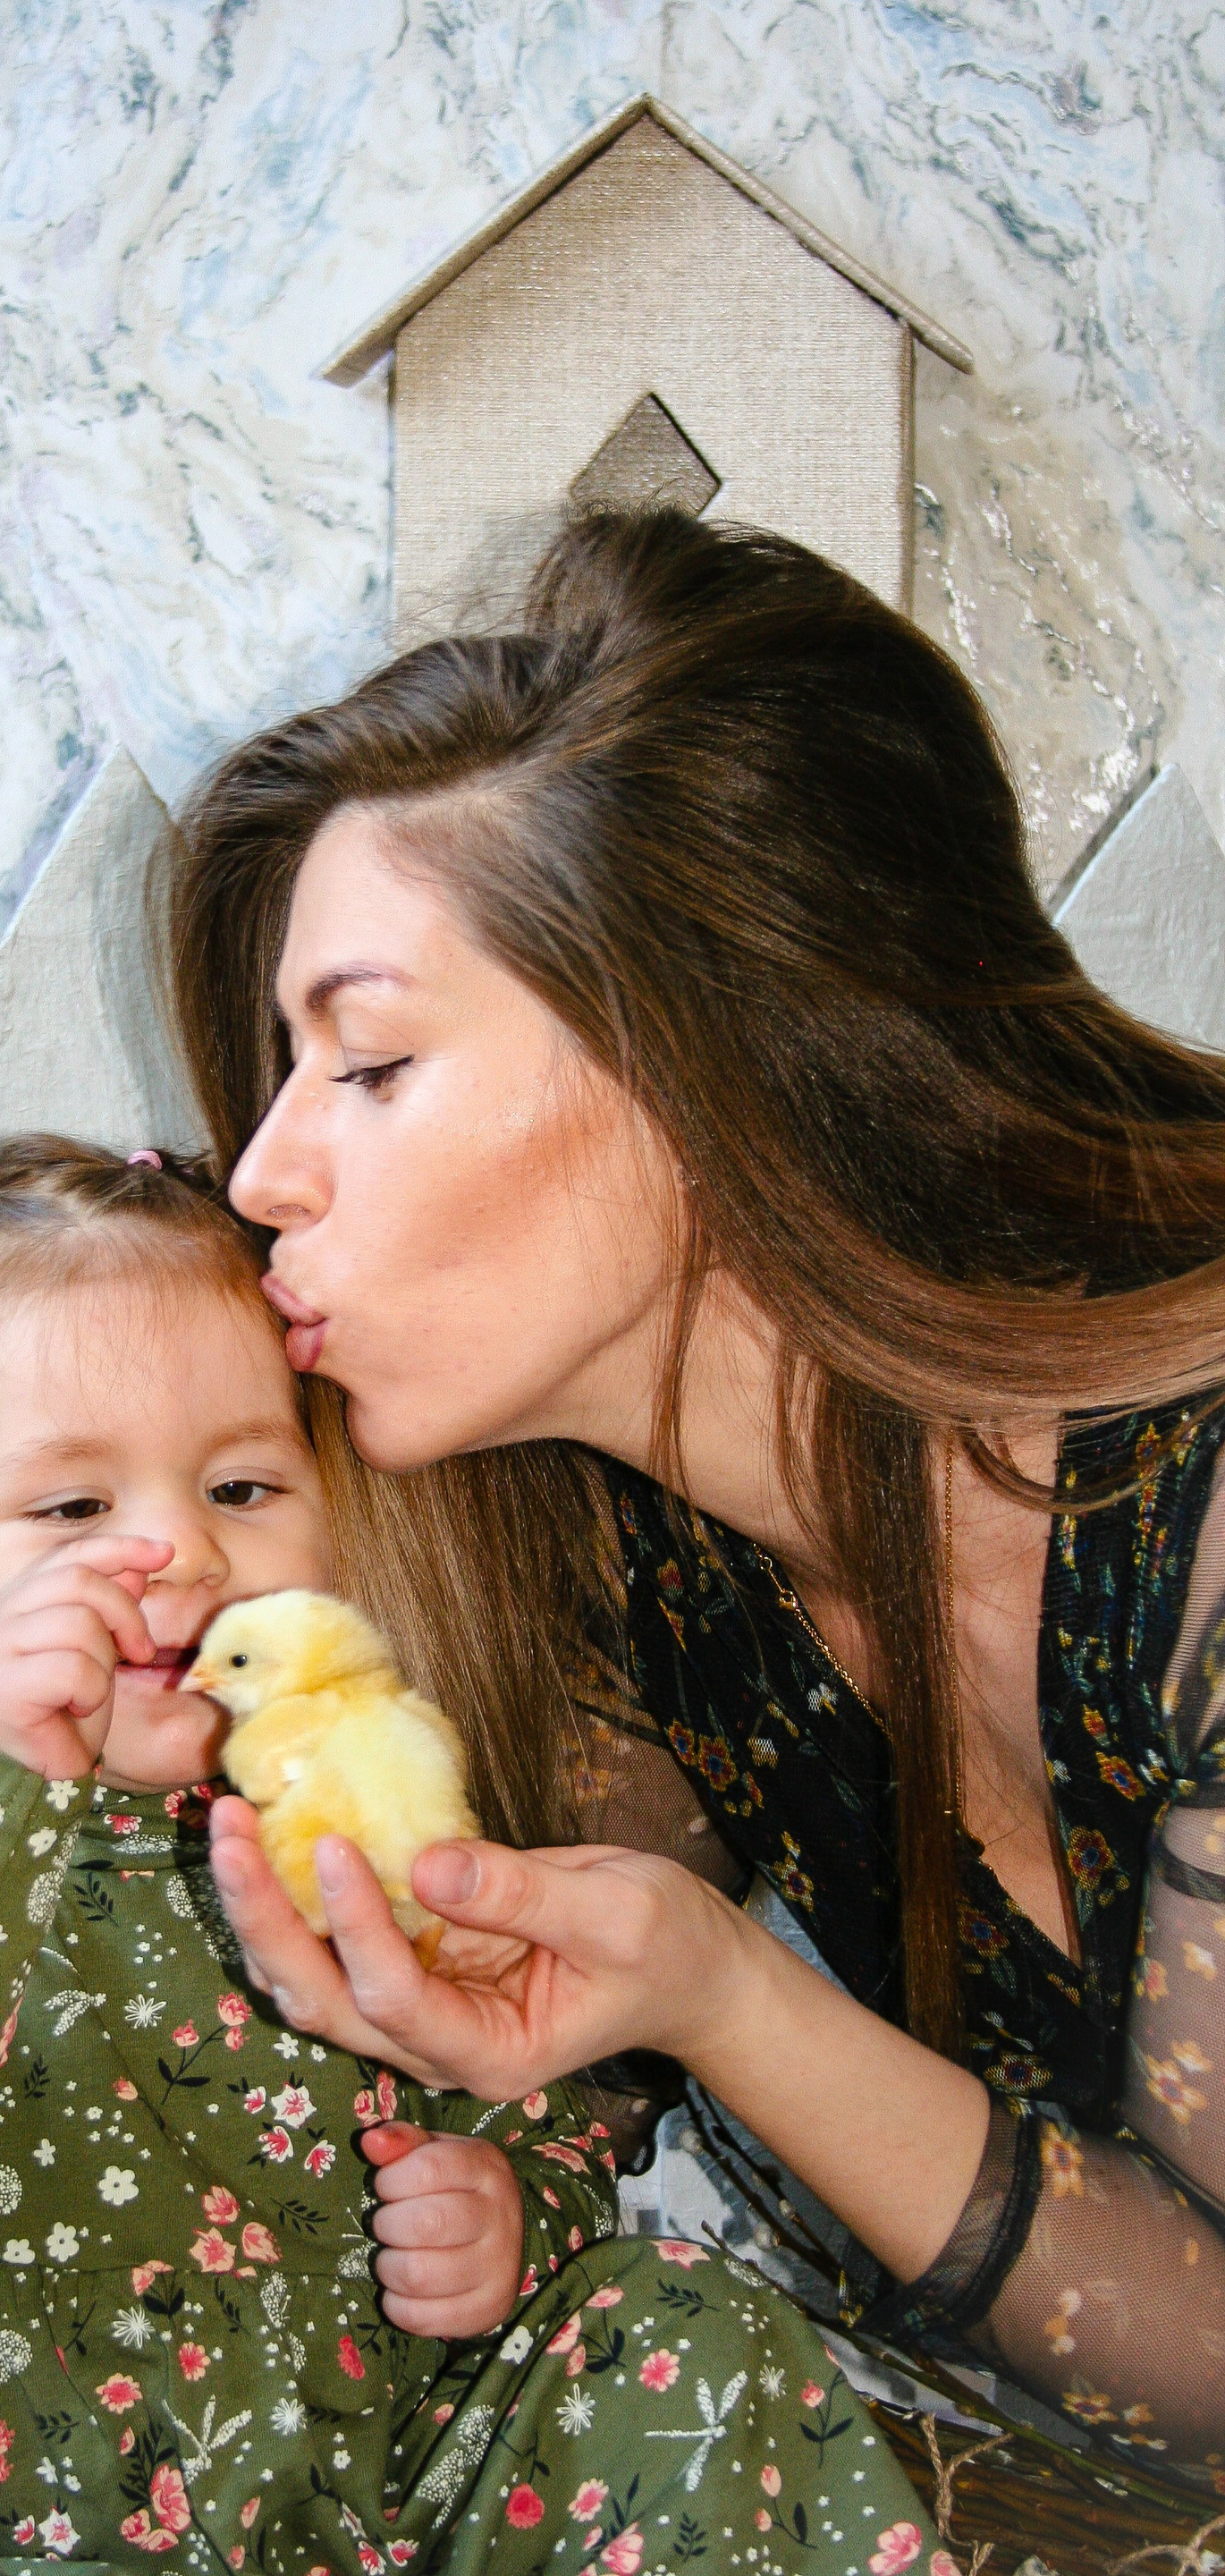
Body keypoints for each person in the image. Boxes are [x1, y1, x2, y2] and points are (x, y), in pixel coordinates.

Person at [165, 508, 1225, 2487]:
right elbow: (515, 2030)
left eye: (367, 1062)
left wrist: (732, 2000)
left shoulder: (1208, 1532)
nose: (261, 1174)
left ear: (703, 1048)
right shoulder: (657, 1578)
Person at [0, 1137, 936, 2576]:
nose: (176, 1550)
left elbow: (524, 2090)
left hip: (351, 2518)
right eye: (74, 1508)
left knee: (681, 2324)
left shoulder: (352, 1813)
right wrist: (0, 1789)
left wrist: (505, 2214)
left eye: (239, 1488)